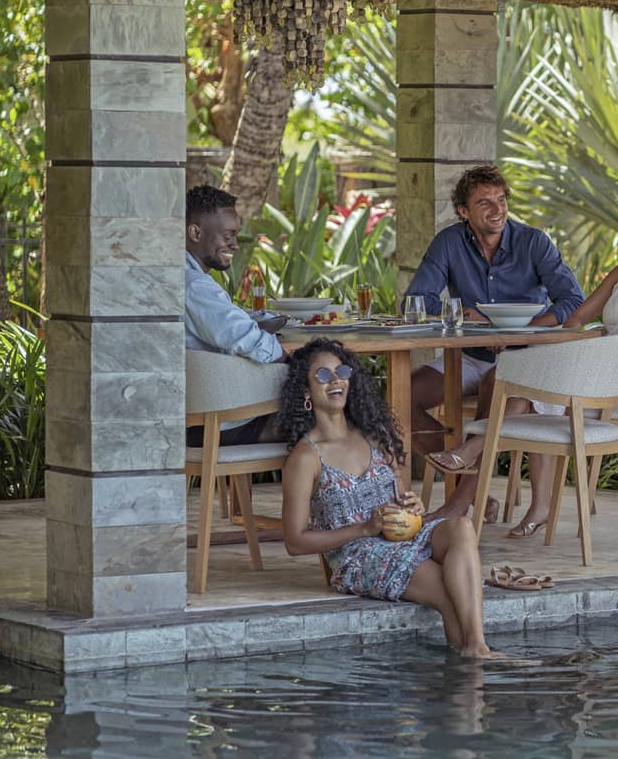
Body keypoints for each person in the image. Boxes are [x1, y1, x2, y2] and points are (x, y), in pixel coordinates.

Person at [428, 196, 618, 538]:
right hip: (593, 372)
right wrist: (570, 343)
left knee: (527, 395)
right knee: (526, 394)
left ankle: (471, 452)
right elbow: (578, 318)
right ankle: (533, 503)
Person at [277, 338, 496, 658]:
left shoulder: (373, 435)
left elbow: (399, 496)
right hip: (358, 553)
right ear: (306, 393)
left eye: (341, 371)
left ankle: (476, 645)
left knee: (461, 525)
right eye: (323, 376)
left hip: (401, 537)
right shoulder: (306, 457)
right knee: (449, 589)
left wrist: (413, 507)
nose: (335, 380)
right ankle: (468, 670)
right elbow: (294, 542)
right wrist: (364, 528)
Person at [404, 164, 585, 519]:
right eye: (484, 202)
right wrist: (458, 311)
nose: (497, 209)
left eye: (501, 200)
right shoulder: (449, 242)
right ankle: (474, 485)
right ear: (463, 211)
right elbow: (416, 301)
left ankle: (456, 506)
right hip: (468, 354)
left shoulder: (533, 242)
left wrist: (523, 329)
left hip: (525, 357)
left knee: (494, 387)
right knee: (399, 399)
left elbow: (572, 301)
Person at [183, 184, 285, 446]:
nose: (234, 245)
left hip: (191, 416)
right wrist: (291, 359)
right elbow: (248, 339)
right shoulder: (194, 285)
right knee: (320, 413)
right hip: (215, 423)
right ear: (195, 232)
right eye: (227, 235)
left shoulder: (180, 276)